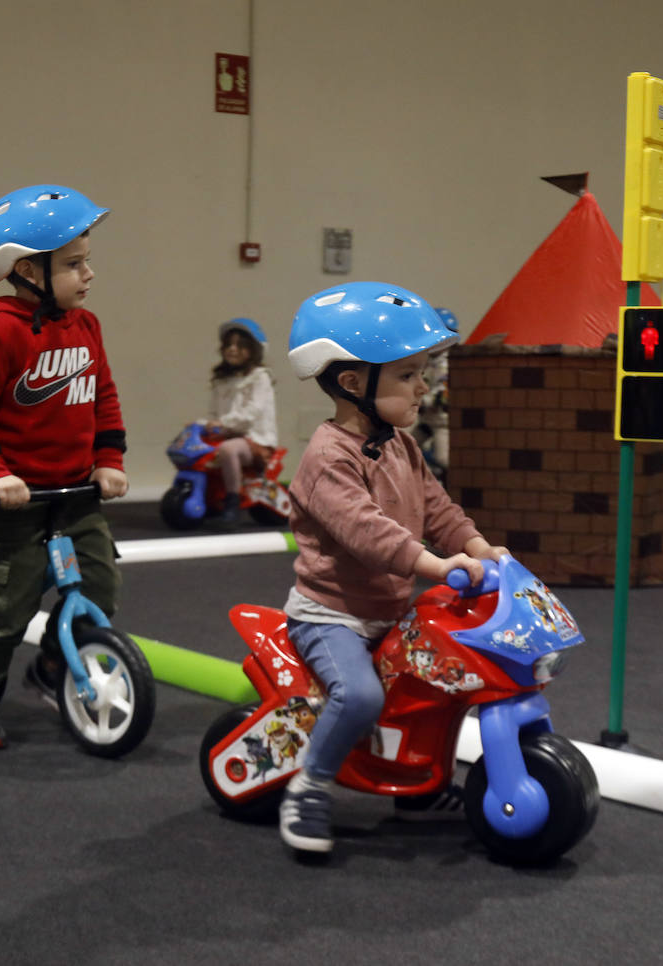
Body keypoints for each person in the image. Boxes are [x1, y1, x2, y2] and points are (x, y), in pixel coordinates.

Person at [277, 282, 507, 853]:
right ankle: (309, 788)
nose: (424, 386)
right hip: (333, 617)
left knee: (440, 685)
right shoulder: (328, 457)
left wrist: (478, 546)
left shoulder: (401, 444)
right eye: (407, 375)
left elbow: (437, 507)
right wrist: (435, 563)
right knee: (359, 698)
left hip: (390, 610)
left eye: (422, 371)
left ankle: (418, 788)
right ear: (353, 384)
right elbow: (368, 534)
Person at [0, 184, 128, 751]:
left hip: (76, 496)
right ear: (28, 271)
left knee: (100, 586)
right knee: (6, 611)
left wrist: (109, 459)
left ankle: (51, 669)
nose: (88, 274)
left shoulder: (86, 327)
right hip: (16, 501)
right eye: (74, 264)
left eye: (87, 260)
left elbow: (104, 398)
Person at [204, 317, 278, 528]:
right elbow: (213, 411)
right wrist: (206, 424)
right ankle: (210, 499)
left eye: (240, 345)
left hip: (255, 440)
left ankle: (232, 504)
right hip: (228, 435)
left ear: (254, 350)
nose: (232, 349)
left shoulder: (260, 377)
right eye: (229, 344)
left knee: (228, 450)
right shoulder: (221, 380)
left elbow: (252, 412)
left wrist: (223, 423)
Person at [411, 306, 458, 485]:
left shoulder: (447, 363)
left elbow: (443, 391)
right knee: (408, 447)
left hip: (441, 419)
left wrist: (426, 400)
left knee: (443, 458)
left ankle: (439, 479)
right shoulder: (429, 361)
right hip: (427, 419)